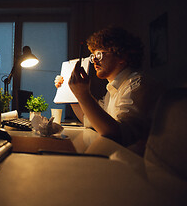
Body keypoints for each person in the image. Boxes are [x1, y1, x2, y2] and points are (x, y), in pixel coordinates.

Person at [55, 26, 162, 155]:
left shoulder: (138, 85)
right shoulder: (113, 89)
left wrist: (82, 94)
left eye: (99, 54)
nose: (94, 60)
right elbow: (90, 120)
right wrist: (71, 91)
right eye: (93, 55)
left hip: (134, 167)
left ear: (122, 56)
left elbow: (117, 135)